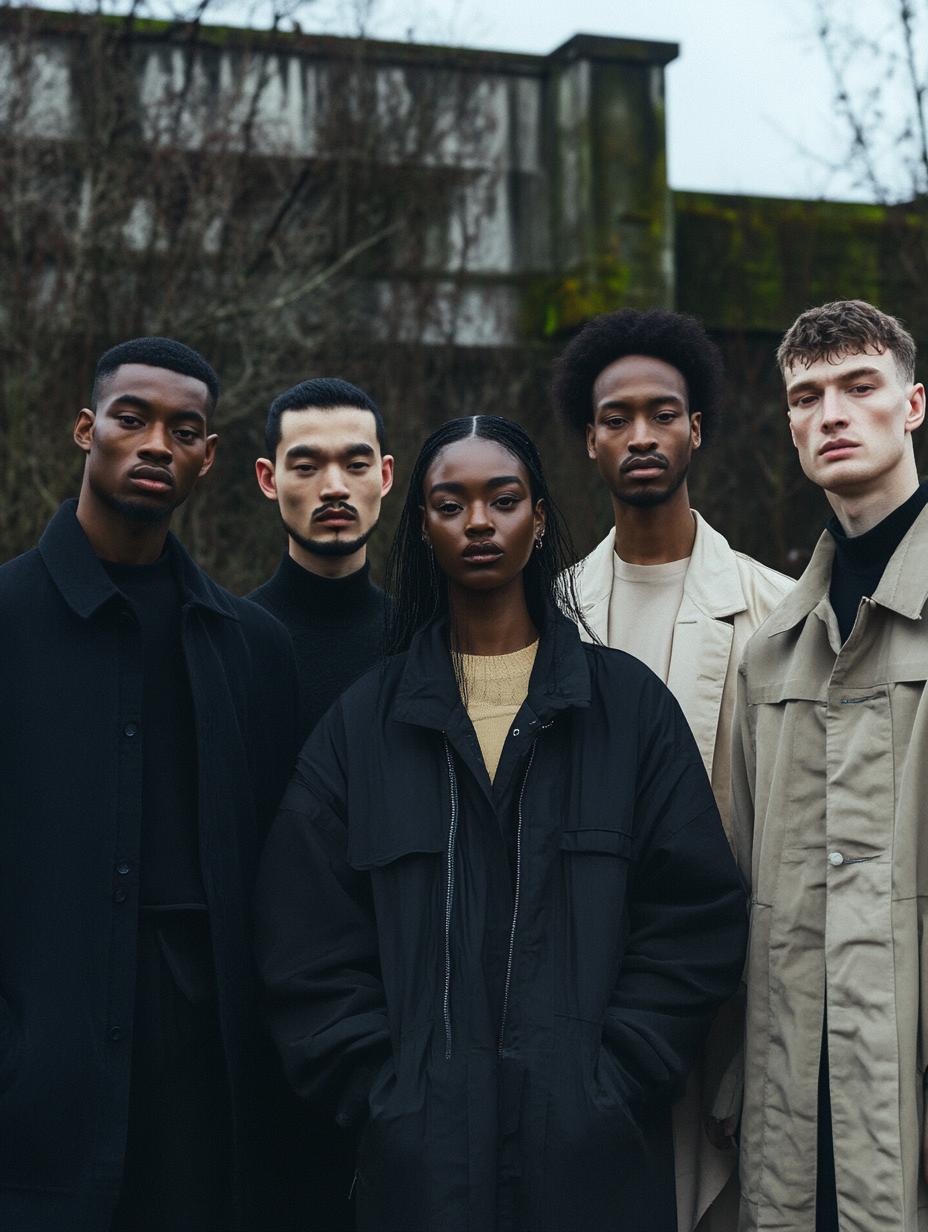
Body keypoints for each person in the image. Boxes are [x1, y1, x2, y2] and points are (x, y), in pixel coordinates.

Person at [255, 414, 748, 1232]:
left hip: (594, 1175)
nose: (479, 522)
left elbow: (695, 921)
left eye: (504, 499)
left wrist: (611, 1079)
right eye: (451, 504)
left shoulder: (628, 713)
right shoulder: (362, 728)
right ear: (421, 525)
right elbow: (302, 945)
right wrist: (392, 1095)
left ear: (542, 516)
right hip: (419, 1183)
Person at [0, 338, 299, 1232]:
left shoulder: (253, 648)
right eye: (133, 419)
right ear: (87, 428)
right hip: (37, 1083)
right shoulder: (7, 621)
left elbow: (285, 880)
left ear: (209, 458)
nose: (156, 443)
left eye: (186, 429)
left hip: (210, 1091)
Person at [553, 309, 794, 1232]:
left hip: (727, 1026)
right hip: (585, 1023)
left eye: (664, 413)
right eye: (618, 417)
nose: (641, 435)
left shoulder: (776, 615)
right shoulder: (551, 619)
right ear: (589, 438)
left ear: (699, 428)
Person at [731, 300, 928, 1231]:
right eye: (807, 397)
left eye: (860, 387)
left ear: (914, 404)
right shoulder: (771, 650)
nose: (832, 414)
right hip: (797, 1097)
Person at [249, 378, 394, 741]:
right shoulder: (227, 641)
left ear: (385, 475)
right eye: (306, 466)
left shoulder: (424, 642)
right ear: (269, 480)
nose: (334, 487)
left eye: (357, 464)